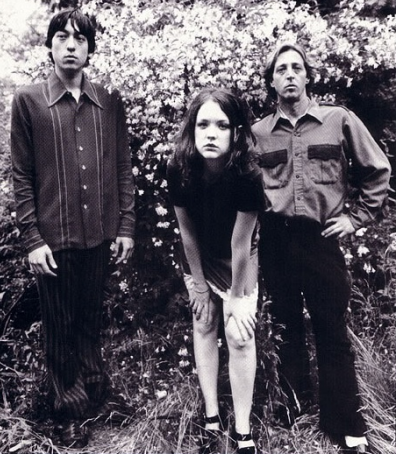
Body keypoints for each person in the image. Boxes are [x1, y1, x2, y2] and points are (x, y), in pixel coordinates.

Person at [252, 43, 391, 454]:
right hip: (276, 241)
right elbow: (245, 189)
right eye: (281, 69)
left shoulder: (338, 119)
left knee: (331, 329)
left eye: (297, 67)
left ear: (308, 76)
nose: (290, 74)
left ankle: (345, 424)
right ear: (272, 81)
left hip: (321, 239)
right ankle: (294, 412)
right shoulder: (258, 133)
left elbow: (377, 169)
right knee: (285, 327)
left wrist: (355, 218)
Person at [10, 9, 135, 448]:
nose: (70, 45)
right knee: (60, 328)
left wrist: (126, 225)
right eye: (62, 36)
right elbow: (21, 176)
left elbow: (122, 166)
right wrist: (32, 239)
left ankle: (96, 395)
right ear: (50, 45)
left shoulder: (109, 101)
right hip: (53, 239)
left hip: (99, 233)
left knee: (90, 319)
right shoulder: (29, 101)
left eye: (79, 39)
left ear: (89, 49)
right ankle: (67, 412)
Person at [167, 89, 263, 454]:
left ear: (236, 132)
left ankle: (242, 431)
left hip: (237, 257)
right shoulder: (178, 168)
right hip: (199, 254)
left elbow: (241, 244)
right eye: (203, 124)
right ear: (192, 129)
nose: (211, 133)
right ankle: (211, 417)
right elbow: (187, 233)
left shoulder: (248, 175)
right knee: (204, 321)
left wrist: (237, 298)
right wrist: (200, 287)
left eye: (222, 125)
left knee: (239, 334)